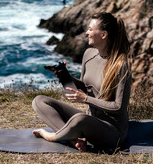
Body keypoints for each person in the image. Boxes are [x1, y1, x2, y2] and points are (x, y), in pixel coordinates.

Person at [32, 12, 132, 152]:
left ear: (103, 35)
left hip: (112, 131)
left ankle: (51, 136)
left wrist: (85, 99)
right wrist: (66, 78)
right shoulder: (88, 54)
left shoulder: (120, 65)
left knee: (79, 119)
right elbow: (86, 87)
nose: (87, 32)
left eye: (91, 29)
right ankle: (74, 140)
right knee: (39, 101)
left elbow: (119, 107)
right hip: (90, 120)